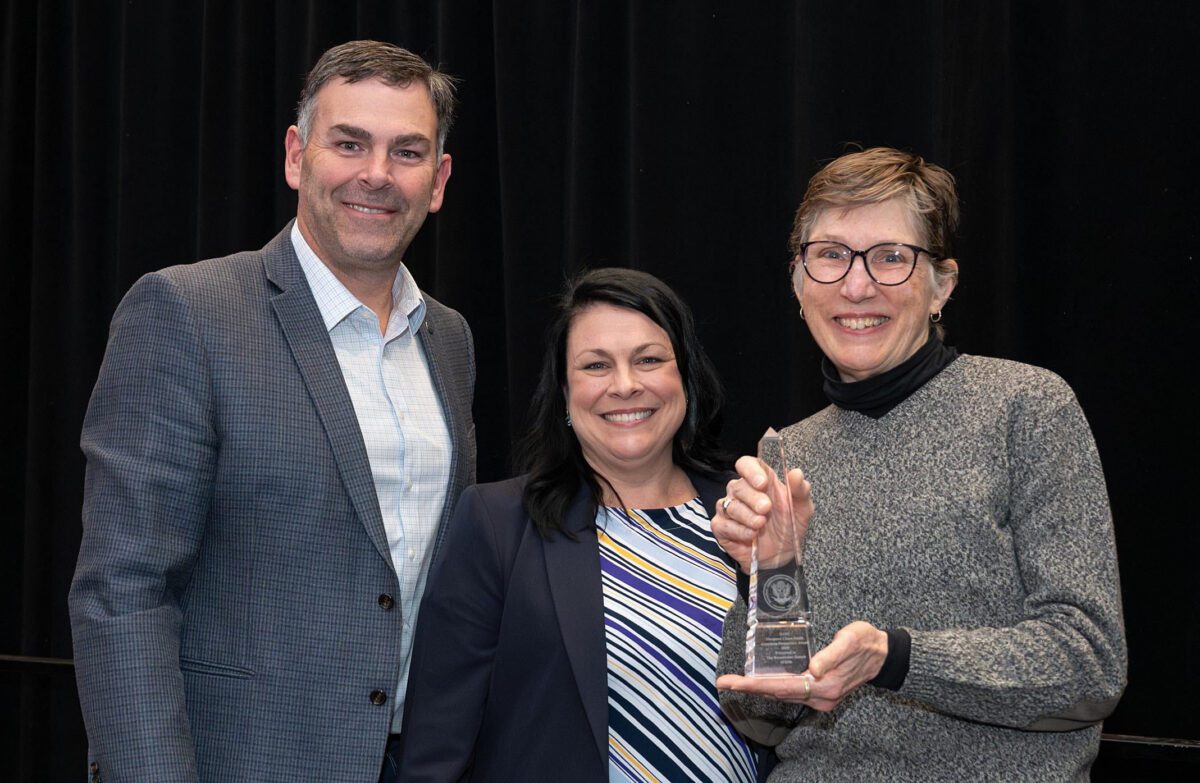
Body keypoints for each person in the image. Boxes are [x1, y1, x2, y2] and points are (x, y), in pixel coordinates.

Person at [68, 40, 475, 783]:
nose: (376, 175)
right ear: (297, 156)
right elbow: (123, 590)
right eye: (349, 143)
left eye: (407, 151)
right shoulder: (187, 312)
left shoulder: (448, 339)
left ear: (439, 179)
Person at [712, 147, 1127, 780]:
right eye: (830, 256)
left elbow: (1090, 666)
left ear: (942, 286)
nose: (856, 285)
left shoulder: (1026, 408)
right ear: (799, 284)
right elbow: (761, 712)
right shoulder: (784, 454)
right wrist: (769, 582)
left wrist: (895, 657)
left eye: (890, 257)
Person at [398, 268, 772, 782]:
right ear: (566, 394)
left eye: (649, 360)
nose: (625, 385)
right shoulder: (497, 524)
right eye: (596, 365)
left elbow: (792, 699)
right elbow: (436, 746)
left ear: (684, 376)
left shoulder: (750, 508)